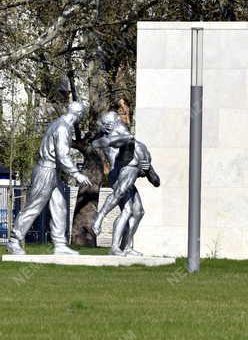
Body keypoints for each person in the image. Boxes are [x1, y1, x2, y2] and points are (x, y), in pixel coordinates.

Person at [5, 101, 93, 255]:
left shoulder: (58, 123)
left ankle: (59, 244)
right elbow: (62, 155)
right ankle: (14, 240)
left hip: (53, 172)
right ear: (78, 115)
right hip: (46, 171)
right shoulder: (62, 128)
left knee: (59, 206)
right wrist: (76, 173)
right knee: (34, 207)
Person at [91, 111, 160, 256]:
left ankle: (126, 246)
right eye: (105, 125)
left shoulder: (140, 150)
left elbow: (156, 181)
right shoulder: (110, 139)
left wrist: (148, 171)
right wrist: (104, 141)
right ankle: (114, 244)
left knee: (138, 212)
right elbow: (100, 142)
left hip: (128, 176)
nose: (107, 127)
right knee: (128, 209)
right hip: (117, 176)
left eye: (109, 124)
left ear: (117, 121)